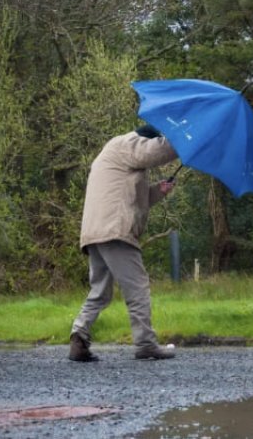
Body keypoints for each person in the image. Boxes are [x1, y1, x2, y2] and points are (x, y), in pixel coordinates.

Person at [68, 123, 179, 362]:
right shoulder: (128, 144)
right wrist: (183, 140)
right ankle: (146, 344)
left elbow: (128, 198)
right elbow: (157, 152)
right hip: (115, 230)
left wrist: (158, 191)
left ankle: (79, 336)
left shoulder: (115, 154)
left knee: (99, 291)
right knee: (137, 286)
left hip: (96, 231)